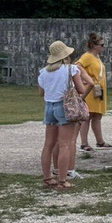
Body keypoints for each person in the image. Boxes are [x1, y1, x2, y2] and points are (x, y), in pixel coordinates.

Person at [38, 40, 90, 190]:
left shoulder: (44, 72)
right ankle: (62, 180)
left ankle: (47, 178)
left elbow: (41, 93)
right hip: (64, 107)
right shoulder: (71, 69)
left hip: (49, 106)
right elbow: (80, 89)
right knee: (65, 144)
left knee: (48, 144)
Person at [77, 32, 111, 152]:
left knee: (97, 115)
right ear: (94, 45)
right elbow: (77, 66)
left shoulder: (96, 58)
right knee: (88, 116)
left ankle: (99, 140)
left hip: (98, 90)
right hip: (91, 90)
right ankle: (84, 142)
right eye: (101, 45)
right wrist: (85, 79)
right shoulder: (87, 57)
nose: (103, 47)